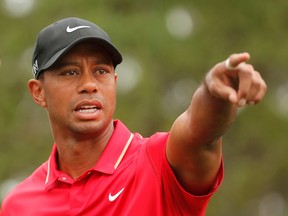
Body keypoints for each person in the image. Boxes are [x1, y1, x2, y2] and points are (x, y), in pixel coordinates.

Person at [1, 17, 266, 216]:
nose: (89, 84)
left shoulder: (159, 163)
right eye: (70, 72)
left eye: (101, 71)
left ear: (114, 82)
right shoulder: (19, 204)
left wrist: (215, 92)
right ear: (38, 93)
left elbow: (199, 133)